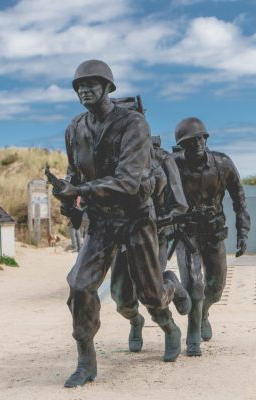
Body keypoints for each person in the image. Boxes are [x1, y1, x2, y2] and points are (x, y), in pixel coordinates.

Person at [52, 59, 191, 388]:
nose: (84, 89)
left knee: (152, 295)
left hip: (136, 217)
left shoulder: (133, 125)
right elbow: (76, 173)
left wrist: (81, 190)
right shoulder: (75, 128)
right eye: (79, 86)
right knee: (80, 285)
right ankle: (86, 361)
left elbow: (129, 181)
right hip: (101, 221)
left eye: (91, 84)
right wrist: (67, 194)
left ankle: (171, 304)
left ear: (108, 88)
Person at [171, 117, 250, 356]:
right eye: (189, 141)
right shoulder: (172, 165)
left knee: (215, 288)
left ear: (206, 138)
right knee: (194, 285)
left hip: (214, 231)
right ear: (181, 146)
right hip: (187, 233)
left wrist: (243, 231)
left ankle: (203, 313)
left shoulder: (222, 163)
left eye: (200, 138)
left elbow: (239, 199)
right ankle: (192, 332)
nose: (197, 144)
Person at [110, 135, 189, 353]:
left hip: (153, 236)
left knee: (151, 292)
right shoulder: (110, 158)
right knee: (121, 298)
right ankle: (136, 321)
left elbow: (180, 205)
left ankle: (169, 327)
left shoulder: (160, 159)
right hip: (122, 236)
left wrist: (155, 222)